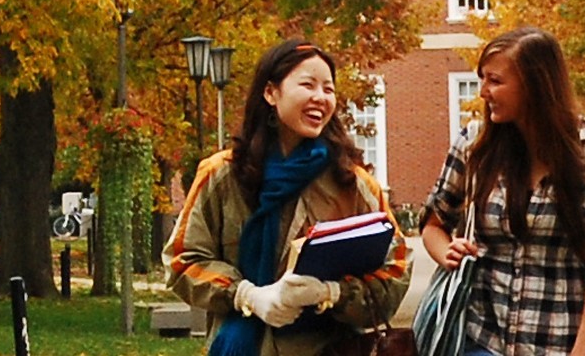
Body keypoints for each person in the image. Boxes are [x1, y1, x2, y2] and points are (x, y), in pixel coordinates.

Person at [170, 40, 412, 356]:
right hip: (241, 346)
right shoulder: (222, 176)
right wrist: (247, 296)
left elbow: (396, 268)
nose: (320, 97)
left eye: (328, 89)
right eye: (308, 84)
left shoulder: (353, 183)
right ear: (271, 93)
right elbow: (182, 260)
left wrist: (332, 293)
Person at [420, 29, 585, 356]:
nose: (484, 92)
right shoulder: (475, 144)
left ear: (535, 85)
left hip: (555, 341)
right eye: (482, 80)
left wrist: (584, 347)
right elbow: (433, 223)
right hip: (479, 338)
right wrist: (448, 253)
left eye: (495, 81)